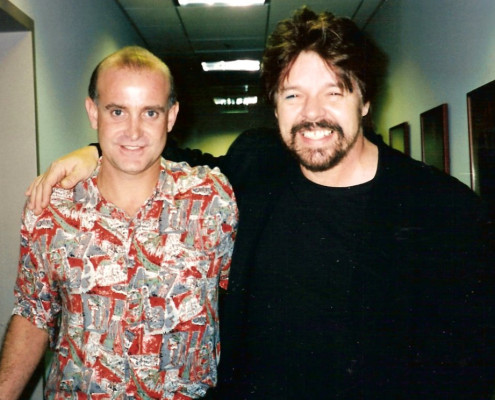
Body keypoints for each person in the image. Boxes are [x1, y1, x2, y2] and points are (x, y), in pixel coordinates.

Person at [24, 7, 495, 399]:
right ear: (275, 105)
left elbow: (469, 373)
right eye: (294, 95)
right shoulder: (255, 166)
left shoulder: (445, 214)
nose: (313, 114)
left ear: (365, 100)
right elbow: (164, 154)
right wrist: (92, 151)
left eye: (334, 92)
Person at [0, 46, 238, 399]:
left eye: (150, 113)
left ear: (171, 117)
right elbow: (33, 313)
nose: (134, 131)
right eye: (117, 111)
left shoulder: (212, 200)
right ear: (93, 112)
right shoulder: (51, 207)